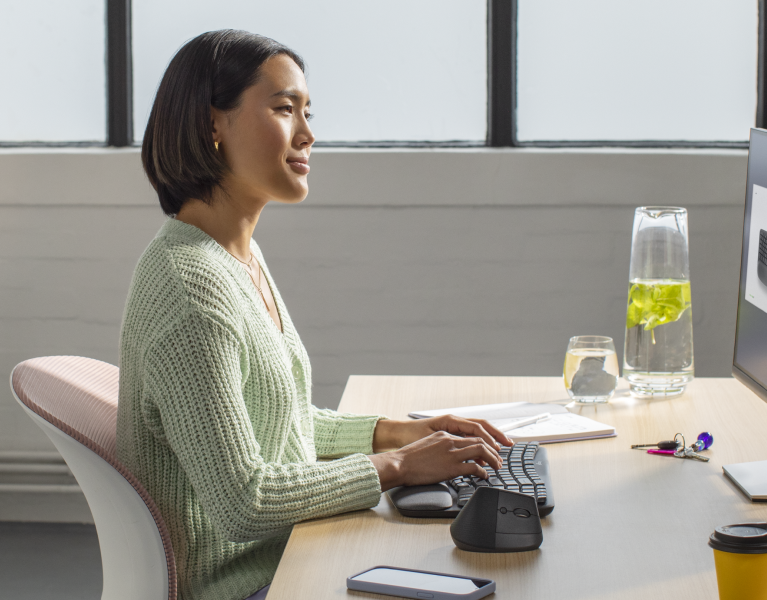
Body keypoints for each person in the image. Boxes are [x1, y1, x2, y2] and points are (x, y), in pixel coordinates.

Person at [118, 30, 513, 600]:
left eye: (308, 111)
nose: (307, 134)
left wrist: (400, 433)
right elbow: (245, 502)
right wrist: (398, 466)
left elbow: (278, 425)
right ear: (212, 124)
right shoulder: (189, 287)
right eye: (284, 109)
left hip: (295, 559)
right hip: (254, 586)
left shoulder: (233, 257)